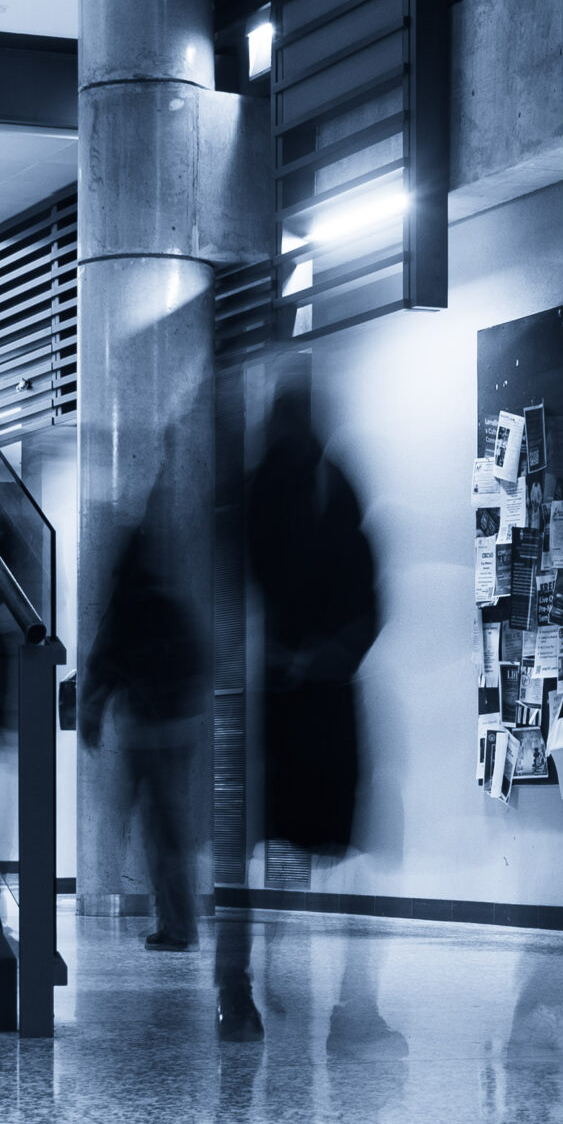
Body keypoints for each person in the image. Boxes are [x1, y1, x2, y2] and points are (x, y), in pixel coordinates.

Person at [217, 373, 393, 1048]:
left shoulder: (256, 488)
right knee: (338, 854)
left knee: (277, 853)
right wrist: (334, 651)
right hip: (324, 696)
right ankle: (349, 1008)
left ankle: (260, 991)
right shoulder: (332, 483)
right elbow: (367, 593)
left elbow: (248, 588)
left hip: (273, 698)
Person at [79, 488, 209, 959]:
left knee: (159, 829)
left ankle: (175, 924)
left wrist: (93, 708)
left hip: (149, 730)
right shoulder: (171, 602)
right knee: (168, 826)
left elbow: (106, 659)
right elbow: (198, 661)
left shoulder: (130, 602)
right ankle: (178, 921)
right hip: (175, 727)